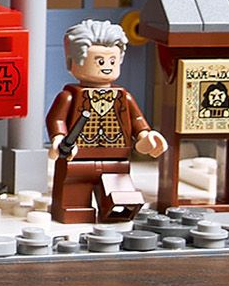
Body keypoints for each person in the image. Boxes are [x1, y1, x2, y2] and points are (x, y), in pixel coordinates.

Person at [46, 19, 166, 224]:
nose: (107, 67)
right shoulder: (69, 97)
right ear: (73, 62)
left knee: (121, 201)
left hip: (116, 160)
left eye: (112, 61)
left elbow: (136, 119)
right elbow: (56, 119)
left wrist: (145, 136)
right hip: (77, 158)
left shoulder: (123, 97)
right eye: (100, 61)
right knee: (73, 202)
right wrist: (59, 139)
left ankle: (114, 217)